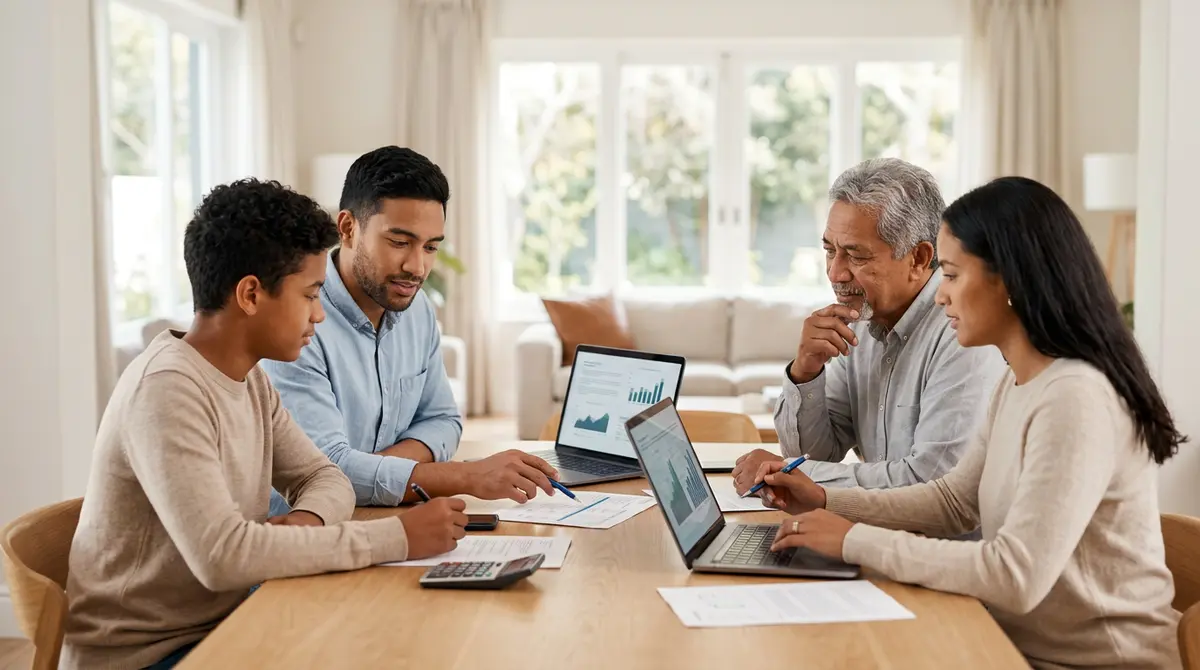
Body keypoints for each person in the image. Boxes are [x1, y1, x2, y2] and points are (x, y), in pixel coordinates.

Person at [753, 176, 1185, 669]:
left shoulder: (1076, 398)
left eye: (953, 275)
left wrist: (854, 539)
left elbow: (1014, 577)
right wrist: (826, 499)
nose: (939, 297)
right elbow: (954, 501)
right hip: (1012, 642)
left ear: (1011, 281)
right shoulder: (1022, 380)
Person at [63, 179, 468, 670]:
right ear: (251, 294)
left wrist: (308, 521)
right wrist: (398, 537)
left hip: (230, 621)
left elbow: (325, 477)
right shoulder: (166, 390)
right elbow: (223, 557)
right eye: (310, 294)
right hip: (151, 655)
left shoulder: (248, 377)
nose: (320, 315)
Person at [262, 146, 559, 510]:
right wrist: (465, 476)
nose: (417, 267)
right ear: (348, 228)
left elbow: (443, 419)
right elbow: (323, 471)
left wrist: (378, 471)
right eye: (400, 242)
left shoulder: (417, 311)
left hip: (387, 516)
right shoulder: (298, 322)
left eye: (431, 247)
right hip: (307, 534)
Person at [733, 157, 1006, 494]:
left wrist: (789, 474)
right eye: (830, 250)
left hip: (936, 544)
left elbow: (931, 483)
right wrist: (806, 372)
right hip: (882, 533)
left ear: (919, 259)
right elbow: (818, 454)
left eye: (856, 256)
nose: (835, 273)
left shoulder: (962, 332)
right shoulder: (861, 319)